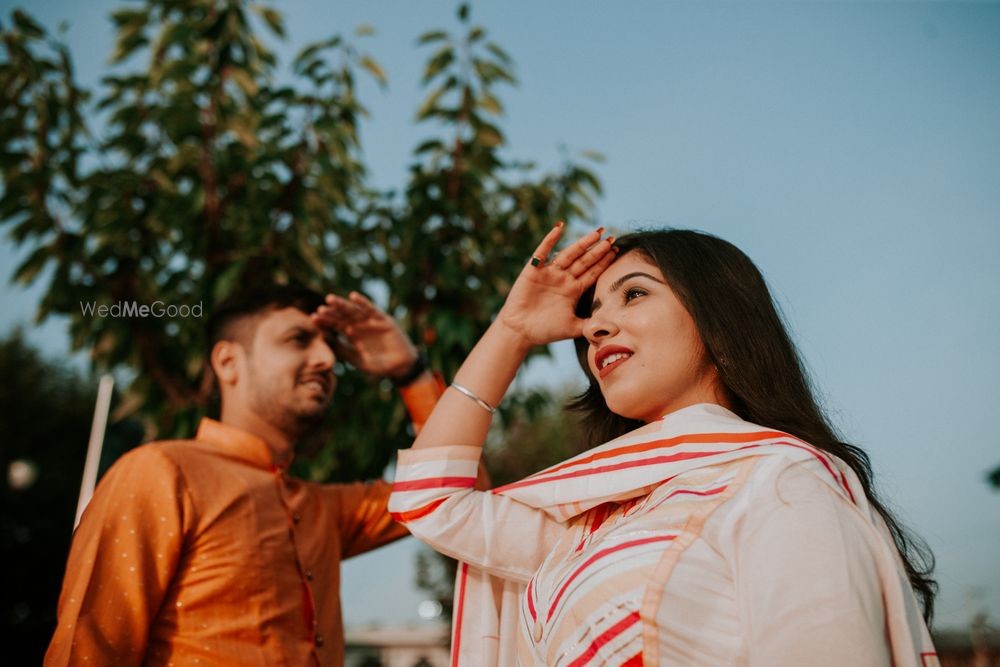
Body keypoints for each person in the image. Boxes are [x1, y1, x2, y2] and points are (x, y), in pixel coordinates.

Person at [388, 224, 939, 666]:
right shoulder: (591, 530)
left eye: (633, 294)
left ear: (718, 320)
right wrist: (513, 331)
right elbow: (429, 501)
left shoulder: (779, 481)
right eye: (592, 312)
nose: (596, 327)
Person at [46, 284, 443, 666]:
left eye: (329, 344)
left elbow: (452, 494)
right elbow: (91, 650)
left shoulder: (325, 510)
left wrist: (411, 372)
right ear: (228, 362)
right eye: (298, 339)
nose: (326, 358)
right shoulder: (163, 473)